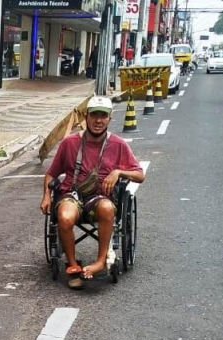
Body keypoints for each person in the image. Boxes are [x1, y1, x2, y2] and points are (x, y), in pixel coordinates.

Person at [41, 96, 146, 289]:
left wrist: (118, 172)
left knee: (107, 208)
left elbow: (140, 176)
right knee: (64, 216)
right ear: (86, 117)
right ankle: (73, 265)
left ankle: (99, 262)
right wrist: (47, 196)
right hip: (72, 195)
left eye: (103, 116)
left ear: (109, 119)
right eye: (94, 115)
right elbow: (51, 174)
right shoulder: (69, 143)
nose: (98, 120)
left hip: (100, 198)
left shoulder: (118, 144)